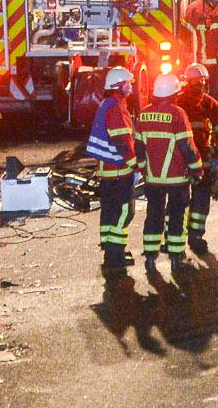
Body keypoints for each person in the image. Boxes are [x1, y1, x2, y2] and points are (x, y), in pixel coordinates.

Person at [130, 71, 201, 272]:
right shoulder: (178, 114)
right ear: (174, 94)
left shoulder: (143, 114)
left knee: (154, 215)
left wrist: (144, 170)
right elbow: (187, 146)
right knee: (177, 215)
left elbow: (139, 147)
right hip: (177, 178)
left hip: (153, 180)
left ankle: (151, 256)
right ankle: (176, 255)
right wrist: (196, 170)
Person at [83, 65, 138, 276]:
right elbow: (122, 142)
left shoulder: (107, 104)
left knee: (110, 212)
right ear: (120, 86)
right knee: (125, 212)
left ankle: (109, 250)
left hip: (107, 172)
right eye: (128, 84)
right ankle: (115, 255)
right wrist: (135, 165)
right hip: (118, 171)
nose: (131, 87)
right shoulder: (115, 108)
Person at [173, 62, 218, 258]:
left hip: (196, 161)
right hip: (187, 161)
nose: (200, 85)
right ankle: (184, 240)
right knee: (185, 202)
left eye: (202, 81)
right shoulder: (179, 103)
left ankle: (192, 238)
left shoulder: (209, 104)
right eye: (197, 81)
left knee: (196, 201)